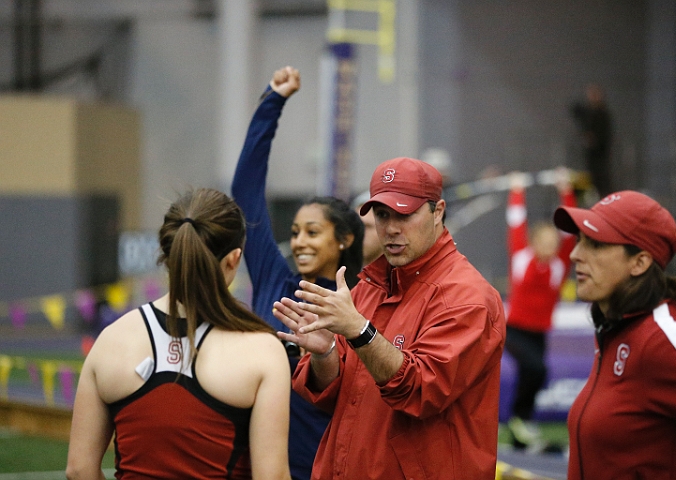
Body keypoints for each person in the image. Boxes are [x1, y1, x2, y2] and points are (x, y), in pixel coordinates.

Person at [272, 157, 506, 480]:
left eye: (404, 214)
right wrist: (324, 354)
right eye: (382, 215)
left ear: (438, 212)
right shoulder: (371, 286)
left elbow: (420, 391)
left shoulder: (468, 297)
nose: (392, 228)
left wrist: (359, 331)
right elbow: (333, 397)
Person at [66, 188, 291, 480]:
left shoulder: (112, 339)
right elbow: (271, 476)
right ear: (235, 258)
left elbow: (79, 469)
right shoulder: (261, 349)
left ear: (166, 254)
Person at [231, 66, 364, 480]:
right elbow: (246, 193)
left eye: (313, 232)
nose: (301, 242)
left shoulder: (361, 302)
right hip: (263, 465)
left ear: (343, 239)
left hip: (329, 467)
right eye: (294, 233)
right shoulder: (276, 282)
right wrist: (271, 102)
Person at [553, 190, 676, 479]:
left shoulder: (660, 339)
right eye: (580, 240)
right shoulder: (614, 329)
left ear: (640, 263)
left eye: (595, 244)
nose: (575, 254)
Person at [504, 168, 576, 450]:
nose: (550, 246)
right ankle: (520, 421)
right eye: (544, 242)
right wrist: (517, 190)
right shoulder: (521, 257)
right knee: (535, 368)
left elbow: (568, 229)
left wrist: (565, 190)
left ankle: (519, 433)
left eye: (553, 242)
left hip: (539, 333)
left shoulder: (560, 265)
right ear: (534, 242)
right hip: (516, 330)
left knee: (533, 374)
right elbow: (516, 223)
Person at [571, 84, 613, 197]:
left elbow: (605, 134)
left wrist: (595, 140)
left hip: (600, 154)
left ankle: (604, 198)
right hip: (591, 155)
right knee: (590, 178)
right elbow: (575, 109)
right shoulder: (589, 112)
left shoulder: (602, 114)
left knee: (601, 178)